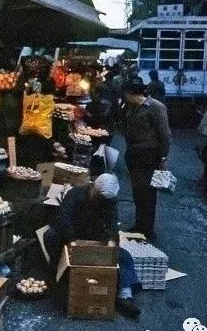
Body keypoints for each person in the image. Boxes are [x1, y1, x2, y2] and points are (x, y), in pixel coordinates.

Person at [44, 174, 142, 318]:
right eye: (99, 198)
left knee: (123, 256)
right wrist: (71, 240)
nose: (101, 202)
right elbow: (63, 218)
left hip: (95, 238)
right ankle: (57, 278)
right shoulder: (75, 194)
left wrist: (111, 241)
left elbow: (113, 224)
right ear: (93, 189)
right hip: (73, 235)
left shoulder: (109, 201)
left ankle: (125, 295)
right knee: (51, 236)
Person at [122, 77, 171, 239]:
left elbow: (165, 135)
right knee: (138, 192)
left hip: (149, 156)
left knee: (147, 194)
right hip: (134, 155)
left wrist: (163, 158)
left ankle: (147, 230)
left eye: (125, 95)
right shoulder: (132, 107)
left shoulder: (156, 107)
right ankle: (139, 225)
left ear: (131, 94)